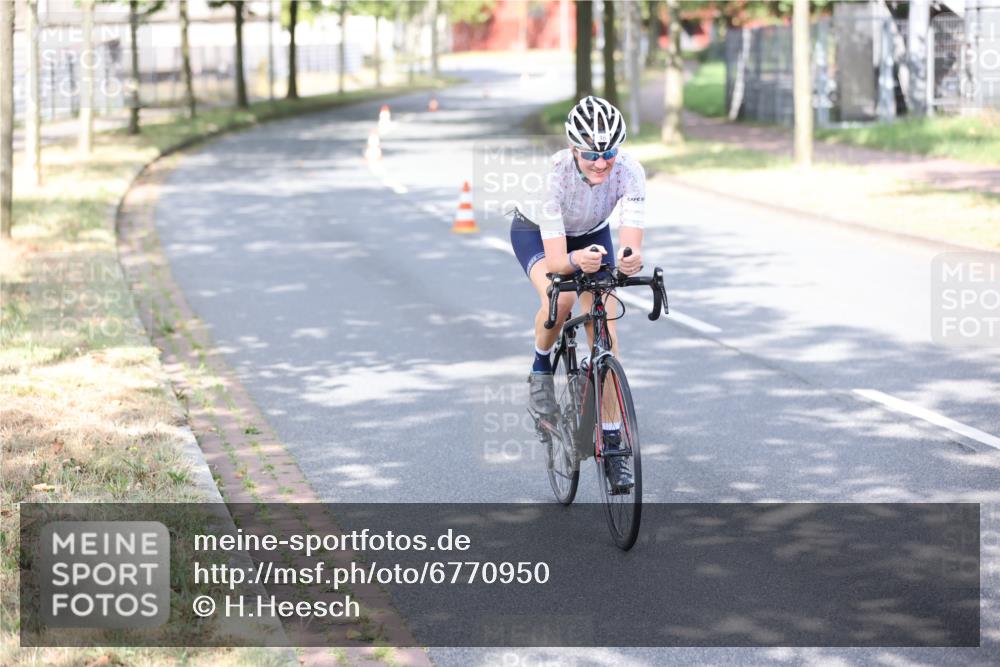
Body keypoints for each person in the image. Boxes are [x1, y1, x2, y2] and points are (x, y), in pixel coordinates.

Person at [509, 96, 645, 491]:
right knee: (562, 298)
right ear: (573, 149)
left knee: (606, 331)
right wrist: (576, 260)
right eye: (591, 155)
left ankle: (613, 440)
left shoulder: (630, 171)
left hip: (591, 232)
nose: (602, 162)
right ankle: (540, 370)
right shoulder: (552, 177)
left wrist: (629, 259)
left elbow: (631, 243)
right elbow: (556, 262)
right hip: (537, 232)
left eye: (609, 153)